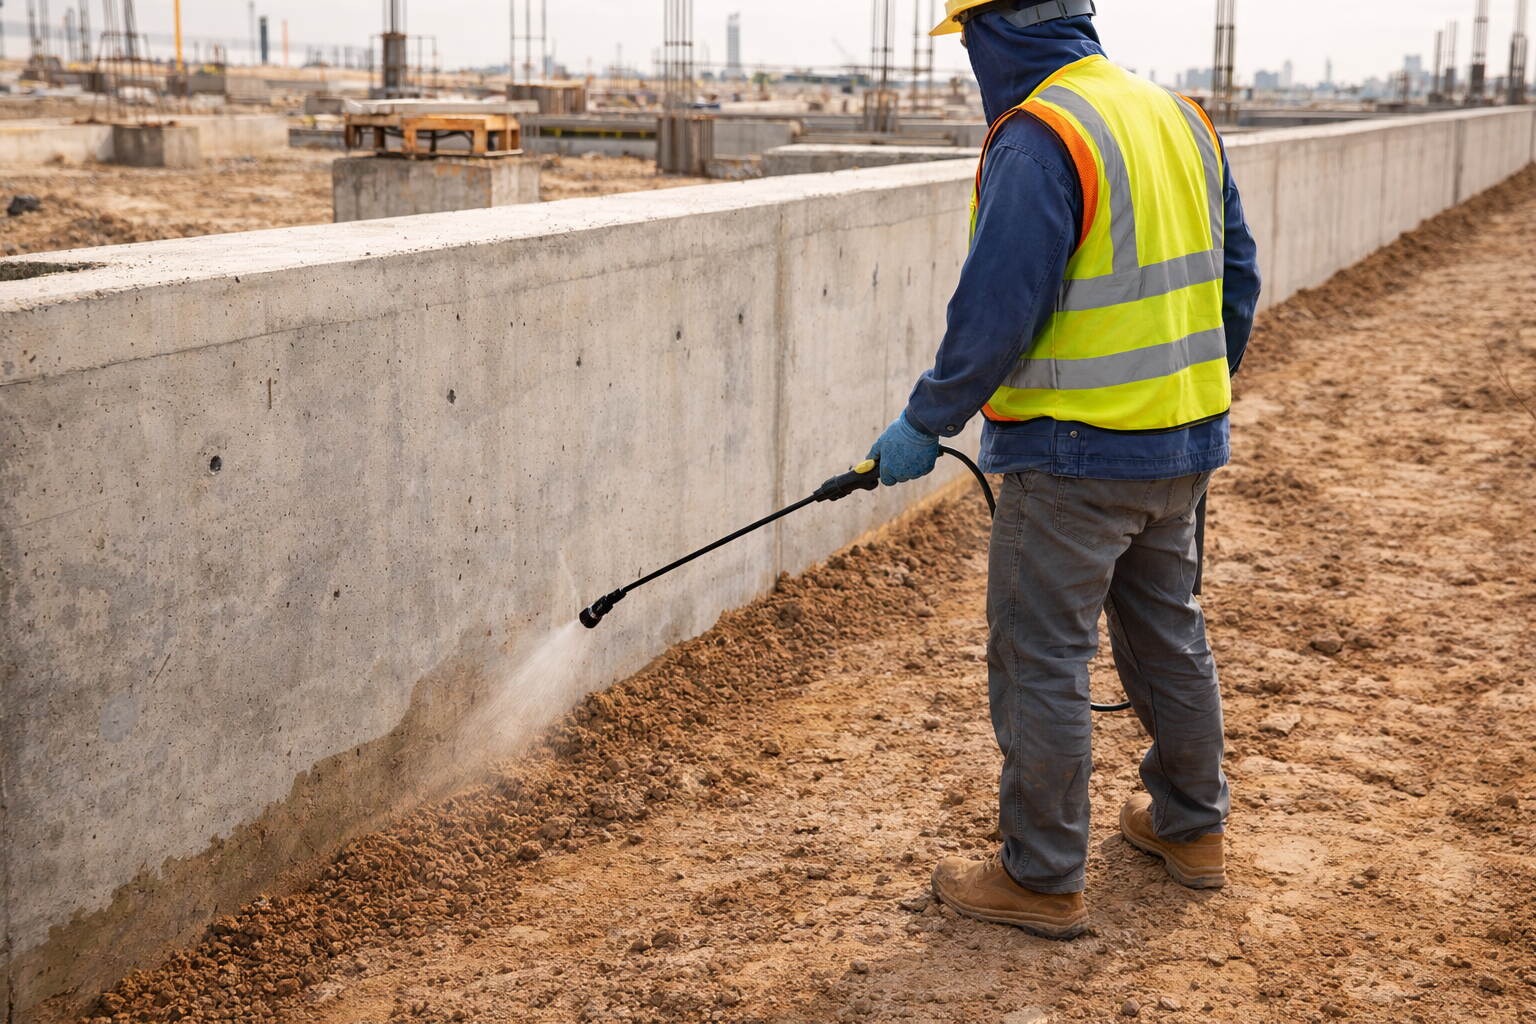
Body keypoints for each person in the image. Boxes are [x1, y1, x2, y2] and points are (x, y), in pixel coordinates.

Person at [865, 0, 1261, 939]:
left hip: (1073, 456)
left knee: (1041, 657)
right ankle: (1192, 829)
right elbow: (1236, 278)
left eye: (968, 39)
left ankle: (1041, 877)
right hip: (1182, 442)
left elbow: (998, 307)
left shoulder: (1041, 135)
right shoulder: (1181, 117)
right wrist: (1189, 401)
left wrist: (927, 419)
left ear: (998, 31)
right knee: (1170, 638)